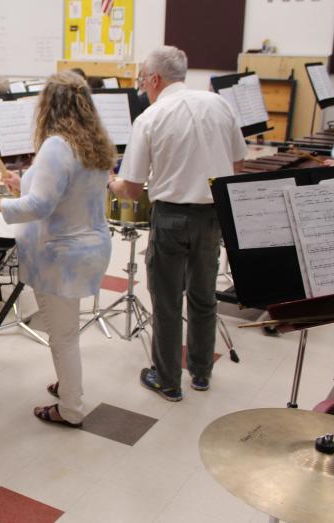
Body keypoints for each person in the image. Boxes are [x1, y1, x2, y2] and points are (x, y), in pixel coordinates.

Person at [0, 71, 114, 427]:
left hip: (63, 254)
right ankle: (69, 387)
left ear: (50, 105)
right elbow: (66, 192)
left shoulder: (56, 146)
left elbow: (40, 207)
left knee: (62, 337)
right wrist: (22, 183)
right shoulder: (91, 143)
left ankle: (71, 409)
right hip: (88, 247)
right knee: (66, 331)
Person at [108, 46, 245, 401]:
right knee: (203, 298)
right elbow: (238, 165)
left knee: (167, 302)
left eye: (142, 80)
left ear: (154, 79)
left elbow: (132, 190)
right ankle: (201, 373)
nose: (142, 88)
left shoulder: (151, 117)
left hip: (170, 217)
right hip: (213, 216)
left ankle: (167, 380)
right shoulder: (219, 105)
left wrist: (109, 181)